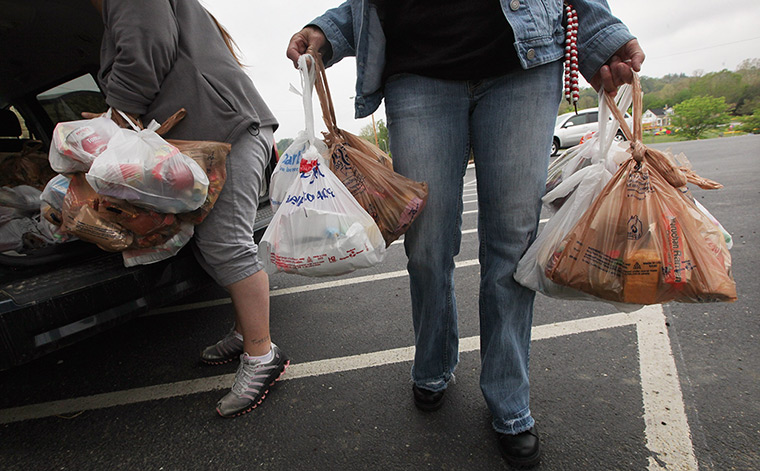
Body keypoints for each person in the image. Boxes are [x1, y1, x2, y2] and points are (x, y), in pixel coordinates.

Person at [287, 0, 644, 467]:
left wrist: (604, 34)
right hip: (416, 71)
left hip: (523, 64)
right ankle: (433, 363)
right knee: (427, 244)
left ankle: (509, 397)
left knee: (512, 244)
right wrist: (327, 29)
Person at [90, 0, 288, 418]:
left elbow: (146, 50)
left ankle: (262, 357)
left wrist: (112, 121)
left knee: (226, 245)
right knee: (211, 244)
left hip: (222, 131)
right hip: (214, 131)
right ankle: (243, 332)